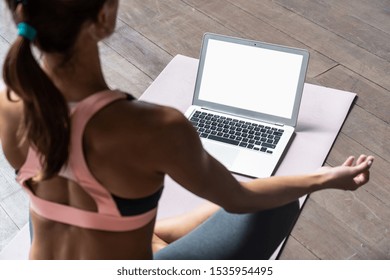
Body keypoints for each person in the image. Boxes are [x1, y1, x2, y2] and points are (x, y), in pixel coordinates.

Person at [0, 0, 373, 260]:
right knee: (275, 203)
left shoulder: (8, 104)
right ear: (104, 16)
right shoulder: (153, 127)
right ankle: (147, 234)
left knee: (96, 207)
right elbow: (239, 199)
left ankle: (146, 230)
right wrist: (323, 178)